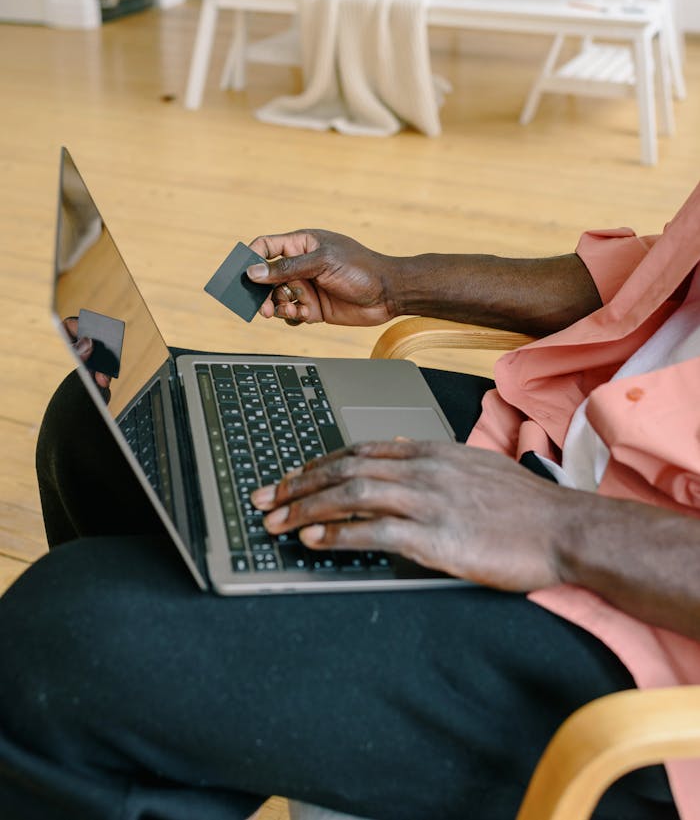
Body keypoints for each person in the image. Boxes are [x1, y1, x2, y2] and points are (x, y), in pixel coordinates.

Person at [0, 184, 698, 820]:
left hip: (644, 624)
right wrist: (396, 282)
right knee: (98, 428)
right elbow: (657, 275)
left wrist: (560, 524)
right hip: (562, 440)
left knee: (59, 644)